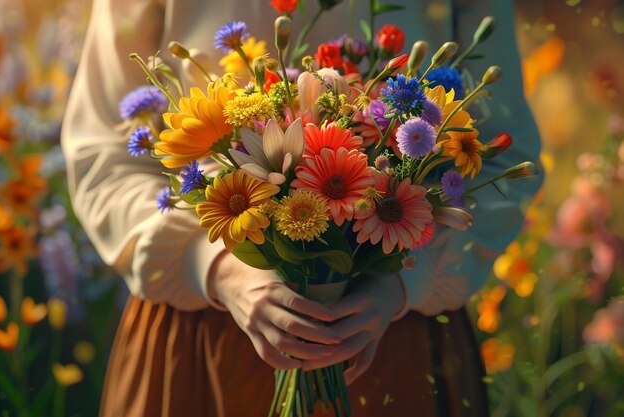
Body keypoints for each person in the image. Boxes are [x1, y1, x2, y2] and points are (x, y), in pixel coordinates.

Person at [61, 0, 542, 415]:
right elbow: (101, 149)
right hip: (203, 336)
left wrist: (403, 282)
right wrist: (213, 267)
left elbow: (505, 148)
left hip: (393, 334)